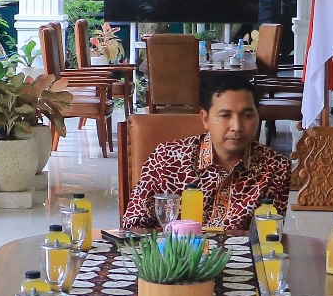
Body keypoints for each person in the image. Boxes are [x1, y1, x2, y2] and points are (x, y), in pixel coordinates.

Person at [121, 72, 292, 232]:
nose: (237, 127)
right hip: (172, 260)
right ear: (205, 119)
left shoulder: (274, 168)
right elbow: (132, 227)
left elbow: (269, 236)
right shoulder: (166, 158)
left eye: (247, 115)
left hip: (238, 262)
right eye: (225, 115)